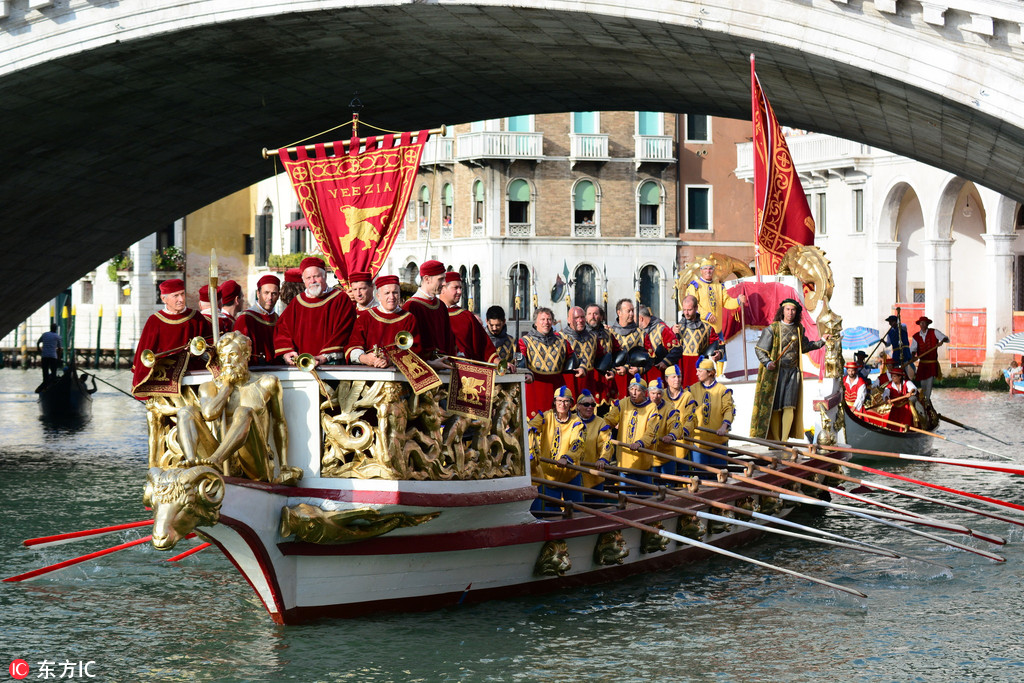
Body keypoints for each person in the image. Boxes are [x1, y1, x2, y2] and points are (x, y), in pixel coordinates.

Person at [175, 332, 301, 485]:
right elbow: (209, 414)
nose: (227, 361)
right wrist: (226, 387)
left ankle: (216, 460)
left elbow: (279, 422)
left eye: (233, 355)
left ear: (246, 355)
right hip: (219, 460)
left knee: (244, 411)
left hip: (255, 464)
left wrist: (284, 466)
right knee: (185, 412)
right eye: (223, 356)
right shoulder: (209, 387)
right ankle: (192, 464)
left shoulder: (266, 383)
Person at [750, 298, 828, 441]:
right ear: (782, 310)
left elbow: (804, 347)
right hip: (776, 373)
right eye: (787, 309)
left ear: (796, 312)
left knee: (789, 406)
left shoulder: (799, 329)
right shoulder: (772, 329)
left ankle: (784, 440)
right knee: (775, 407)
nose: (790, 313)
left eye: (793, 310)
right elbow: (760, 349)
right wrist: (768, 363)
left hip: (793, 373)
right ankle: (777, 441)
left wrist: (821, 341)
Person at [132, 278, 212, 393]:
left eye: (182, 294)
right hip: (164, 374)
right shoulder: (155, 321)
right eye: (176, 296)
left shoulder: (196, 317)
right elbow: (144, 352)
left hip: (193, 371)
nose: (181, 299)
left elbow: (210, 343)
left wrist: (200, 350)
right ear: (164, 299)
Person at [274, 256, 357, 366]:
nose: (312, 281)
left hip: (331, 363)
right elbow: (282, 329)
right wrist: (288, 352)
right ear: (303, 280)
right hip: (301, 366)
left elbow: (344, 330)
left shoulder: (340, 299)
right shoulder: (297, 302)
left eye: (316, 276)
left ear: (325, 276)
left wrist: (324, 357)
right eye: (308, 278)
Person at [527, 386, 586, 512]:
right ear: (554, 402)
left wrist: (566, 457)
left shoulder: (577, 421)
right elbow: (530, 428)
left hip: (570, 474)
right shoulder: (545, 417)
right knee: (550, 515)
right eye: (559, 401)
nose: (562, 404)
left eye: (566, 401)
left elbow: (578, 442)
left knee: (576, 513)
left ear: (571, 403)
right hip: (548, 476)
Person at [684, 258, 746, 373]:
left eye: (710, 269)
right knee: (702, 357)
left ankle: (719, 377)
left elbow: (726, 302)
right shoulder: (695, 286)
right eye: (706, 269)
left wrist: (737, 301)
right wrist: (706, 315)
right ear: (701, 271)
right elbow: (692, 304)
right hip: (700, 329)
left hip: (717, 329)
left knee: (720, 354)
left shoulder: (719, 286)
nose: (708, 271)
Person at [346, 275, 421, 366]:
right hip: (368, 371)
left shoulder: (408, 318)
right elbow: (354, 345)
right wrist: (365, 358)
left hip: (398, 373)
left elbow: (415, 350)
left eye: (395, 292)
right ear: (378, 296)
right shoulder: (365, 317)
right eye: (387, 293)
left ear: (399, 294)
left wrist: (391, 361)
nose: (392, 297)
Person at [604, 374, 662, 486]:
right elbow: (610, 419)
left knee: (645, 495)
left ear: (645, 392)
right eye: (631, 389)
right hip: (624, 458)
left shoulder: (651, 408)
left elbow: (651, 431)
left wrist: (640, 443)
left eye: (637, 390)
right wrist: (600, 428)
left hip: (643, 457)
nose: (633, 393)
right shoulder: (623, 403)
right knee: (626, 495)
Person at [519, 307, 575, 419]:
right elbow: (521, 363)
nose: (546, 322)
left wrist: (581, 367)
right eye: (542, 319)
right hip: (535, 388)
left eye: (549, 319)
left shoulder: (562, 342)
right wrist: (526, 373)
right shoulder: (525, 341)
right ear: (535, 322)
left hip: (557, 389)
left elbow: (573, 358)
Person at [403, 260, 457, 361]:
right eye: (440, 279)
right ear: (427, 279)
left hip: (444, 366)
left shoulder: (440, 305)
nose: (444, 283)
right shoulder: (411, 306)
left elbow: (449, 341)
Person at [687, 357, 735, 472]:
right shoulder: (692, 389)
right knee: (700, 478)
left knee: (719, 477)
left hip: (718, 442)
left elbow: (729, 410)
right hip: (698, 442)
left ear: (710, 373)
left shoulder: (722, 390)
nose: (696, 373)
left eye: (700, 371)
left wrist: (724, 427)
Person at [439, 271, 498, 363]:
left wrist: (497, 362)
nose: (459, 291)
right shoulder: (432, 313)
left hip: (465, 371)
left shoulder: (467, 316)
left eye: (460, 288)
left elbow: (483, 345)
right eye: (455, 288)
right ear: (443, 288)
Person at [672, 294, 721, 388]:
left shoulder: (707, 328)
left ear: (696, 308)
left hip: (700, 370)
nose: (686, 313)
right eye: (684, 310)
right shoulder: (676, 328)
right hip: (682, 369)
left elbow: (718, 345)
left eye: (689, 310)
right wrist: (672, 333)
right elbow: (668, 348)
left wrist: (718, 354)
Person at [574, 389, 614, 500]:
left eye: (592, 404)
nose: (590, 407)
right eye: (586, 404)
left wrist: (603, 459)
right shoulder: (571, 421)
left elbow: (606, 442)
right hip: (572, 474)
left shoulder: (600, 422)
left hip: (594, 475)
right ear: (578, 406)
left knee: (597, 509)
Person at [233, 274, 281, 365]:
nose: (270, 298)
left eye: (274, 293)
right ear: (258, 294)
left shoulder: (278, 319)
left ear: (279, 295)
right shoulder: (245, 319)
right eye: (266, 293)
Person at [561, 306, 604, 398]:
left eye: (582, 317)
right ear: (569, 320)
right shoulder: (560, 338)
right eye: (576, 318)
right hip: (568, 385)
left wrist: (610, 370)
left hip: (588, 385)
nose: (580, 320)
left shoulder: (593, 337)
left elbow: (601, 357)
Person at [608, 299, 644, 398]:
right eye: (628, 311)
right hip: (614, 378)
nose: (632, 314)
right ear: (619, 312)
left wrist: (637, 368)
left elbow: (645, 358)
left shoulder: (640, 333)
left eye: (632, 310)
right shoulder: (609, 332)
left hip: (633, 379)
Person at [647, 378, 684, 478]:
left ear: (662, 394)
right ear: (648, 393)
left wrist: (671, 435)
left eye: (659, 393)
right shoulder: (643, 407)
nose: (655, 397)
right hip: (647, 455)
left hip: (666, 454)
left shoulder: (669, 408)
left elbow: (676, 424)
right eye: (653, 393)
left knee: (668, 485)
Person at [637, 305, 680, 382]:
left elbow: (677, 349)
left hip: (658, 375)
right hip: (642, 376)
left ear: (640, 318)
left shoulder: (662, 329)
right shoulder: (636, 331)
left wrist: (665, 362)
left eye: (634, 319)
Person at [910, 316, 948, 399]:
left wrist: (941, 341)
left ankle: (927, 400)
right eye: (921, 323)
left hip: (931, 364)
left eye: (924, 323)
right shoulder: (916, 336)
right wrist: (913, 356)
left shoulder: (934, 332)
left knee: (929, 384)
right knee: (923, 385)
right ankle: (924, 400)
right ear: (919, 325)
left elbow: (945, 338)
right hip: (922, 364)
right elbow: (913, 349)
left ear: (927, 324)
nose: (923, 325)